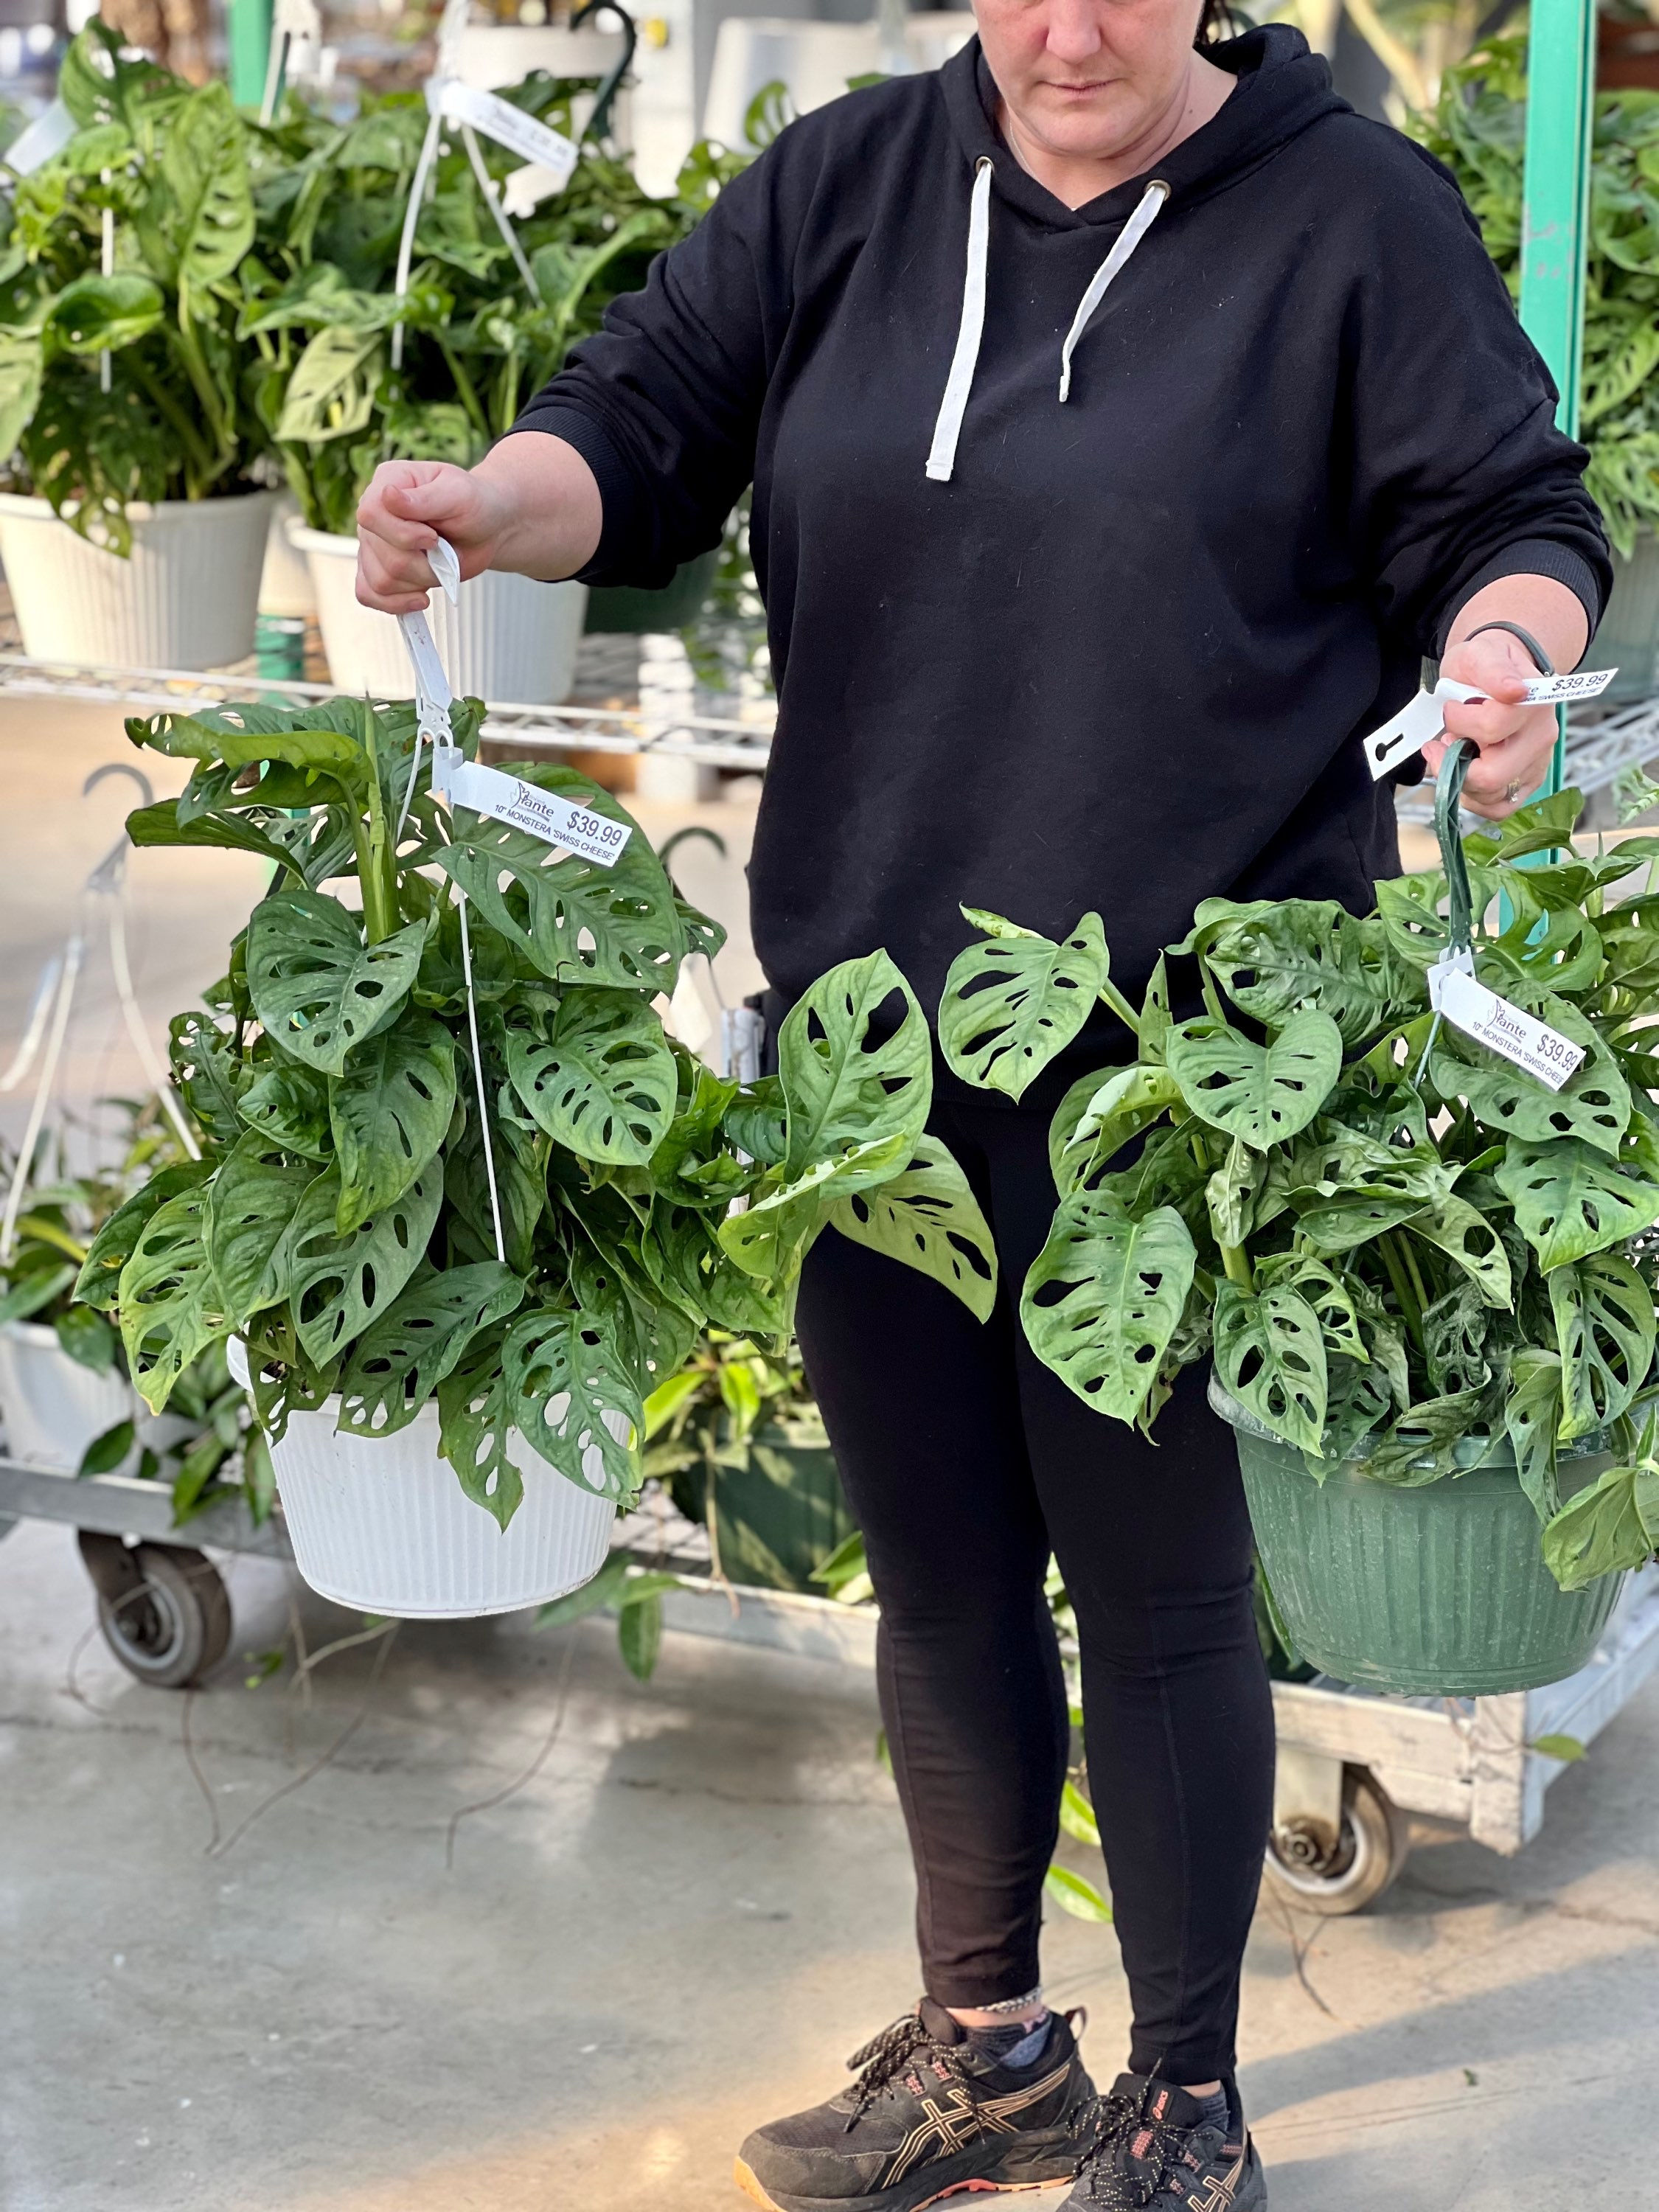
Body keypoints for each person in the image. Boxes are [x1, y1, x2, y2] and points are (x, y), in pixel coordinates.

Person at [355, 1, 1609, 2202]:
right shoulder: (849, 184)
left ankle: (1185, 2099)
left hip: (1178, 1079)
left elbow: (1506, 516)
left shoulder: (1342, 216)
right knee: (934, 1578)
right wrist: (485, 508)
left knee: (1159, 1597)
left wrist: (1498, 657)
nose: (1060, 31)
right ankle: (989, 2047)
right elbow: (633, 424)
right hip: (875, 1049)